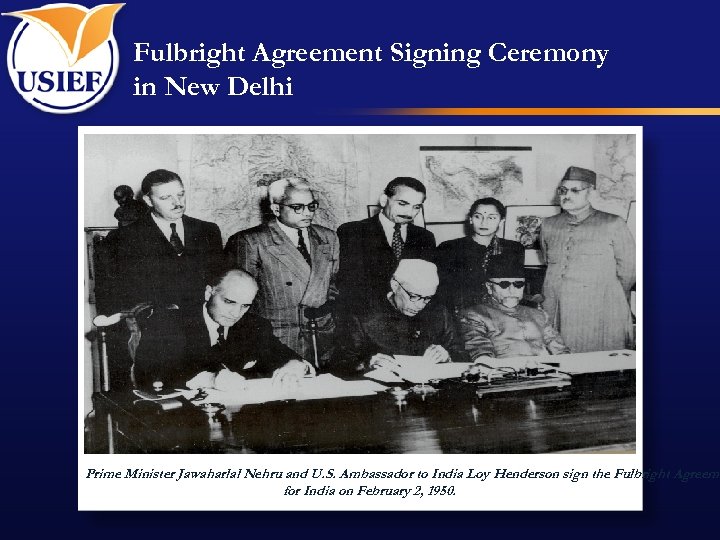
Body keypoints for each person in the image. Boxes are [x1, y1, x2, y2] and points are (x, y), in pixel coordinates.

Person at [133, 269, 312, 390]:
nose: (236, 313)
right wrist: (210, 379)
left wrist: (295, 365)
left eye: (245, 306)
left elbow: (281, 354)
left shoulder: (253, 325)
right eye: (229, 302)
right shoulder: (169, 323)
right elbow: (148, 374)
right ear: (208, 293)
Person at [224, 178, 339, 365]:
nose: (307, 213)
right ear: (276, 209)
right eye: (297, 207)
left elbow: (333, 286)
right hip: (277, 342)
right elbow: (242, 303)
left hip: (324, 339)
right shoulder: (250, 242)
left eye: (312, 206)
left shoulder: (328, 237)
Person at [539, 166, 635, 353]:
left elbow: (630, 269)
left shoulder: (613, 223)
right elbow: (548, 260)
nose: (567, 195)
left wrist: (609, 294)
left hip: (600, 308)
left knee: (600, 366)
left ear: (591, 193)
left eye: (575, 190)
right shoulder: (548, 224)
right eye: (563, 190)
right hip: (557, 307)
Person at [107, 169, 223, 314]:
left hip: (202, 325)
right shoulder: (125, 238)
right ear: (148, 200)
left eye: (181, 194)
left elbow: (218, 280)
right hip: (155, 329)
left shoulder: (208, 231)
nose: (177, 203)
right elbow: (124, 293)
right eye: (166, 197)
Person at [336, 259, 465, 375]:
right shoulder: (363, 314)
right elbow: (340, 363)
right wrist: (368, 363)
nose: (420, 305)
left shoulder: (439, 312)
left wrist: (448, 356)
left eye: (427, 298)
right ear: (395, 285)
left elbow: (463, 356)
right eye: (414, 296)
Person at [337, 177, 436, 316]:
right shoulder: (352, 231)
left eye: (416, 207)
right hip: (366, 320)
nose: (409, 213)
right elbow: (348, 285)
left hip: (410, 321)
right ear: (384, 200)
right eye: (402, 204)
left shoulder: (425, 237)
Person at [459, 256, 569, 360]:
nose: (512, 291)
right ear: (489, 287)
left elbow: (561, 352)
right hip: (506, 374)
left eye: (518, 284)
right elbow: (480, 351)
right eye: (504, 285)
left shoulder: (539, 314)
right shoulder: (475, 314)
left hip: (545, 372)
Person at [435, 197, 524, 311]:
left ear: (501, 221)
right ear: (471, 219)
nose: (484, 222)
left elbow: (516, 287)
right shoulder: (449, 247)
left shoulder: (514, 248)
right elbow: (443, 291)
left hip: (500, 311)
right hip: (461, 311)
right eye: (478, 216)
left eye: (491, 217)